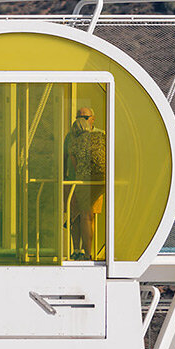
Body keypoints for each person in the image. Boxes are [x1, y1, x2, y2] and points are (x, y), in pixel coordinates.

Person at [63, 106, 106, 260]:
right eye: (78, 117)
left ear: (93, 119)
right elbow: (65, 158)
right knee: (76, 215)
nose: (82, 120)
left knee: (88, 215)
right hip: (74, 180)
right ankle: (77, 250)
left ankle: (86, 251)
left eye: (85, 117)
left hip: (91, 182)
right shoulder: (70, 136)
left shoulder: (101, 134)